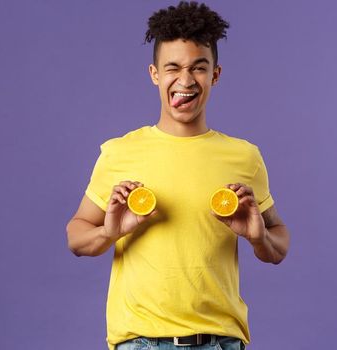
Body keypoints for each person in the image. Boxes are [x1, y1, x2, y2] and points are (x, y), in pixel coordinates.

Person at [66, 2, 290, 349]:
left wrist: (258, 238)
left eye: (198, 68)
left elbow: (279, 243)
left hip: (221, 343)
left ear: (215, 74)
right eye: (173, 68)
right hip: (141, 343)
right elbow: (76, 236)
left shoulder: (244, 156)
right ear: (155, 73)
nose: (185, 81)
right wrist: (109, 232)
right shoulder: (120, 152)